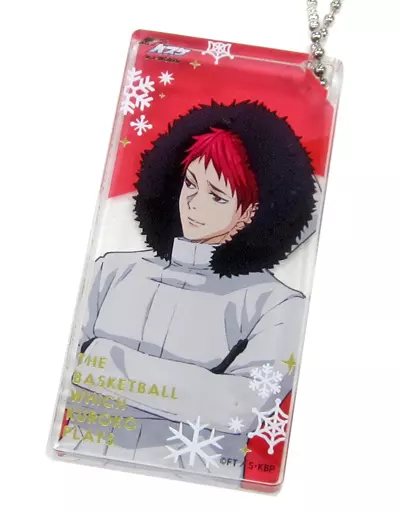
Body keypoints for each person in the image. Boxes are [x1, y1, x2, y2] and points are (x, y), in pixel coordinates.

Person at [58, 101, 317, 477]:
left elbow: (240, 407)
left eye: (217, 196)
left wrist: (99, 357)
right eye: (190, 183)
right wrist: (192, 388)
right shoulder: (112, 269)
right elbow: (59, 359)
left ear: (251, 212)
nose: (193, 204)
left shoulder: (276, 305)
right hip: (79, 464)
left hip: (200, 480)